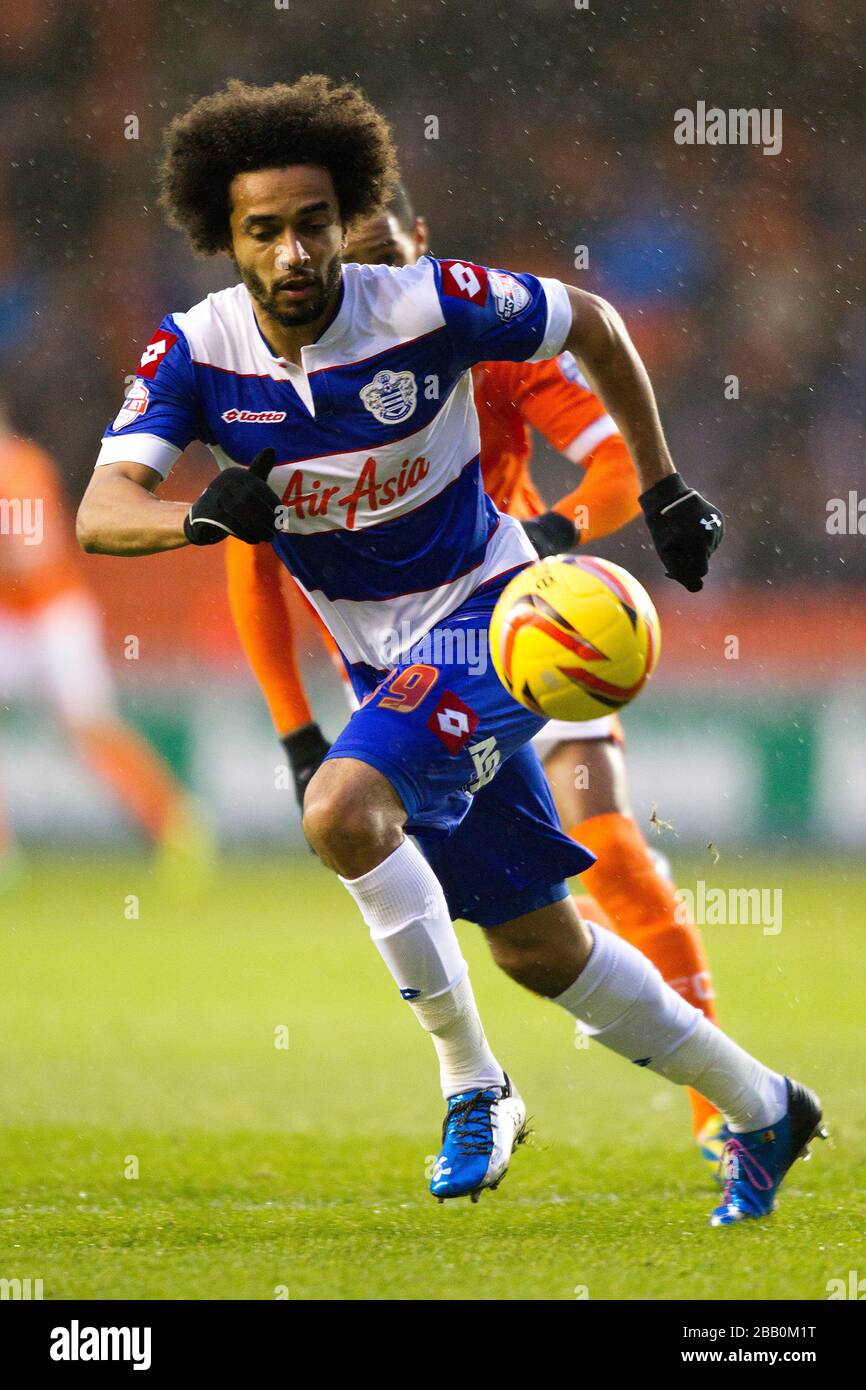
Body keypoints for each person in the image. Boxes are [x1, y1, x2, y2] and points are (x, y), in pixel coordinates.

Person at [76, 76, 823, 1225]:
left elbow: (594, 320)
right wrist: (198, 517)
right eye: (261, 230)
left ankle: (474, 1083)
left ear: (349, 219)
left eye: (311, 223)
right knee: (538, 946)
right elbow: (99, 512)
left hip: (495, 607)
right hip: (382, 666)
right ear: (222, 238)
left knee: (341, 810)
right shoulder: (193, 353)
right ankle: (766, 1105)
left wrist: (664, 486)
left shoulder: (431, 305)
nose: (290, 253)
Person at [225, 184, 728, 1171]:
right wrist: (294, 731)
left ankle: (717, 1113)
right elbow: (251, 568)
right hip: (410, 666)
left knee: (612, 849)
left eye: (389, 260)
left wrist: (558, 530)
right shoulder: (290, 399)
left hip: (536, 632)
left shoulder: (483, 351)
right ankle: (524, 1063)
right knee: (516, 922)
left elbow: (613, 464)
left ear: (421, 250)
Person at [0, 410, 211, 884]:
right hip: (7, 620)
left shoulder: (21, 467)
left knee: (90, 727)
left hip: (52, 615)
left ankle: (173, 822)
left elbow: (37, 556)